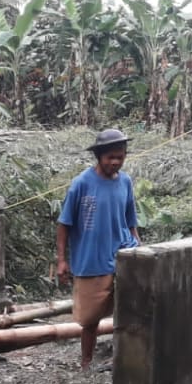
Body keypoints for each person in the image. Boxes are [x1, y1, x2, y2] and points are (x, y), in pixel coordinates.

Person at [56, 128, 140, 370]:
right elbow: (64, 224)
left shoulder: (125, 181)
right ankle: (86, 362)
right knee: (90, 319)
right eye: (110, 157)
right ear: (99, 157)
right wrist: (62, 260)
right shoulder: (81, 184)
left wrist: (138, 247)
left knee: (130, 312)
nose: (115, 162)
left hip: (124, 255)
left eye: (120, 157)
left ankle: (124, 359)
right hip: (91, 260)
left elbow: (130, 219)